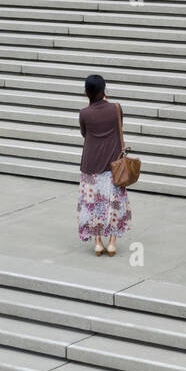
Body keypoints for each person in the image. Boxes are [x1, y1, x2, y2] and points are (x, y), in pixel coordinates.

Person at [78, 74, 131, 257]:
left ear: (87, 93)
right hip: (113, 164)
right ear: (104, 90)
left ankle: (98, 243)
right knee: (113, 203)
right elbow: (119, 127)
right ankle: (112, 244)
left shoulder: (84, 113)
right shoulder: (116, 108)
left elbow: (85, 134)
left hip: (91, 165)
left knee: (93, 204)